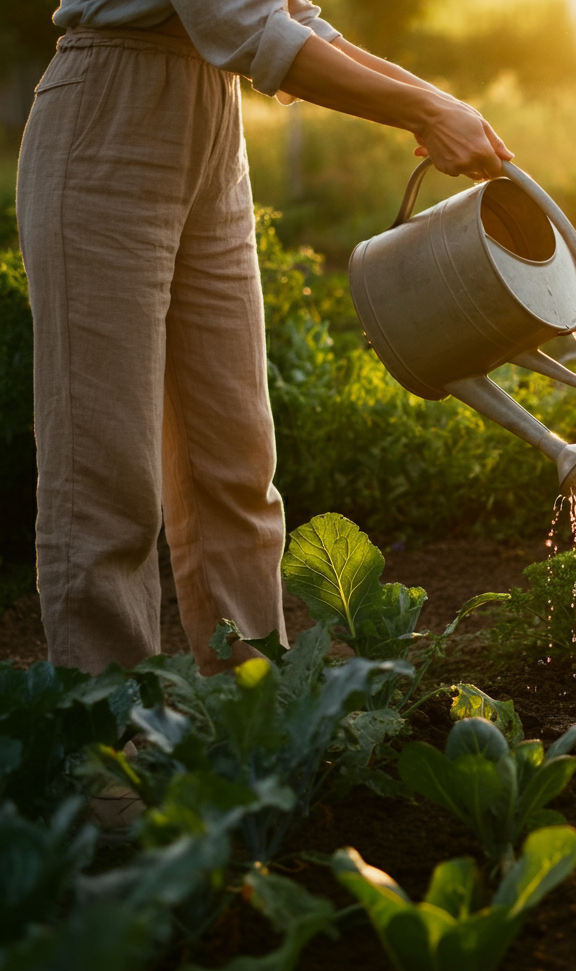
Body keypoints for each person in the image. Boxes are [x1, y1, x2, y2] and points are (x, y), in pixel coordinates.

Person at [17, 1, 513, 676]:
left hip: (213, 129)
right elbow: (247, 28)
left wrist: (436, 101)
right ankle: (108, 747)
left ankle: (254, 721)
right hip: (110, 118)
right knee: (109, 481)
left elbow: (293, 19)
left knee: (236, 468)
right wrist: (422, 114)